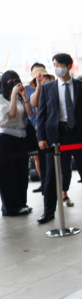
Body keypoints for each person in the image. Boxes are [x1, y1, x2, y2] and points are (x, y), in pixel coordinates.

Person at [36, 53, 82, 224]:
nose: (56, 68)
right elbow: (41, 115)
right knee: (51, 174)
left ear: (69, 66)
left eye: (59, 65)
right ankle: (48, 211)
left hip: (79, 133)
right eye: (55, 64)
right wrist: (41, 137)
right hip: (56, 135)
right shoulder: (48, 88)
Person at [0, 71, 34, 216]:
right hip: (6, 138)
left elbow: (30, 113)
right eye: (10, 80)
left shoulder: (20, 97)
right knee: (8, 174)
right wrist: (13, 94)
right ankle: (10, 207)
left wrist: (24, 96)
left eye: (16, 79)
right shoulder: (2, 98)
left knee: (22, 172)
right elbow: (12, 113)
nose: (14, 82)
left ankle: (21, 203)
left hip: (22, 137)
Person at [28, 64, 54, 193]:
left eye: (45, 76)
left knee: (55, 160)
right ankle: (45, 185)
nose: (43, 79)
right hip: (41, 129)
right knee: (41, 159)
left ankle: (60, 190)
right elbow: (35, 103)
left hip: (54, 129)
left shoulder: (54, 90)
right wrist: (39, 86)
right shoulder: (34, 93)